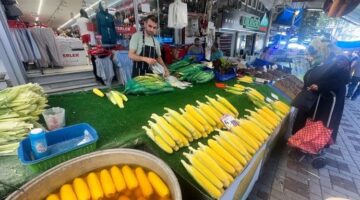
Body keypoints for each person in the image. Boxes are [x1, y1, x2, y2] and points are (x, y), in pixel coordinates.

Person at [291, 39, 351, 144]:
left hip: (326, 102)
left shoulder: (340, 60)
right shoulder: (326, 59)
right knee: (307, 122)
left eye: (317, 50)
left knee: (319, 124)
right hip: (314, 98)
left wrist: (320, 86)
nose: (315, 53)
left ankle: (310, 144)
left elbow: (343, 78)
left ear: (324, 48)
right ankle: (300, 141)